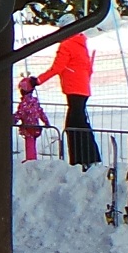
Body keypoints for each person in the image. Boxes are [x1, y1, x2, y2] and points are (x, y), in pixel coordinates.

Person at [36, 30, 100, 168]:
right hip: (83, 88)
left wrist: (38, 80)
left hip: (73, 89)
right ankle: (91, 156)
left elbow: (57, 68)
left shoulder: (66, 45)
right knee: (81, 123)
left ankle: (79, 159)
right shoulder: (81, 44)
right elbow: (88, 68)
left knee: (73, 125)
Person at [14, 75, 51, 162]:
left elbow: (20, 113)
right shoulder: (35, 102)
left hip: (28, 127)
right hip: (36, 126)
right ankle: (32, 158)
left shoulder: (24, 103)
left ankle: (31, 160)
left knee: (29, 143)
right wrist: (46, 122)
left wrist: (13, 119)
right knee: (32, 143)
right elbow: (41, 112)